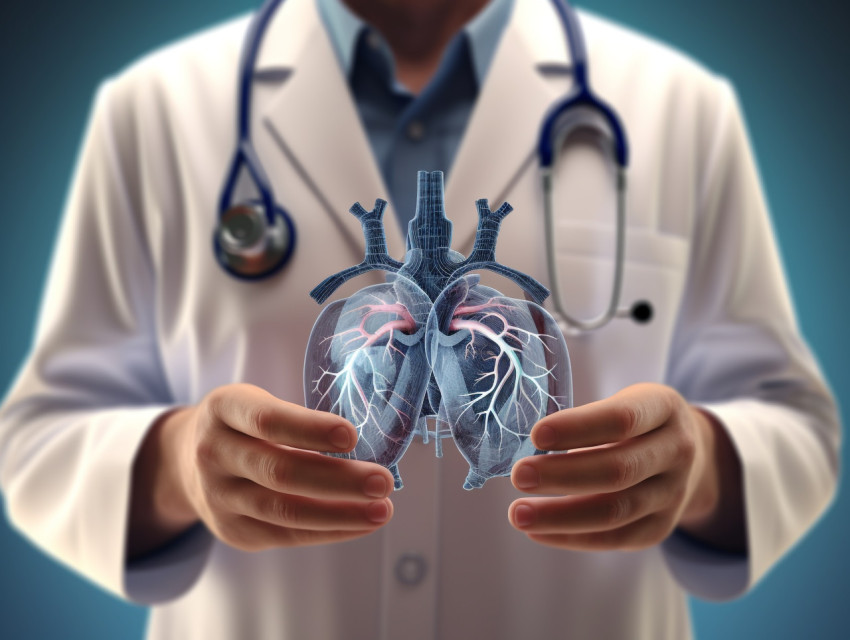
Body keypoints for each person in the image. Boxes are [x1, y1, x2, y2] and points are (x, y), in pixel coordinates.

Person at [0, 0, 839, 638]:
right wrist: (172, 468)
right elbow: (38, 438)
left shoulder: (682, 107)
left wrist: (702, 469)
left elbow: (792, 421)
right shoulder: (150, 110)